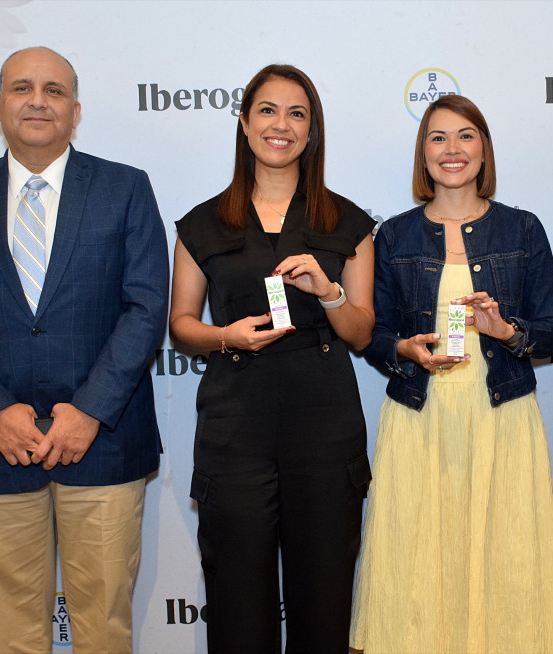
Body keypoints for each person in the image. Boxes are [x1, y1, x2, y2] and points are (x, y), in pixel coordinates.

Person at [0, 47, 169, 653]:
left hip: (103, 442)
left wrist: (89, 411)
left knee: (103, 623)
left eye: (54, 90)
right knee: (14, 625)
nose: (37, 100)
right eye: (22, 87)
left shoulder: (125, 188)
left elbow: (144, 308)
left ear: (75, 110)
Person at [350, 95, 553, 653]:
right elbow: (371, 336)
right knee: (417, 561)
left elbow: (551, 331)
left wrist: (503, 331)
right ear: (423, 154)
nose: (453, 149)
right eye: (438, 137)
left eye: (466, 135)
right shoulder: (393, 236)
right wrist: (405, 348)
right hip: (420, 418)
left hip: (500, 417)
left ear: (484, 149)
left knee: (506, 559)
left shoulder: (522, 229)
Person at [169, 64, 375, 653]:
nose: (280, 125)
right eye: (267, 110)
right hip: (236, 427)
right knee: (237, 603)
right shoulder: (201, 223)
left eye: (296, 113)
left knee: (324, 597)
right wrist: (226, 336)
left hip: (324, 426)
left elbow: (361, 331)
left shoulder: (347, 223)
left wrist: (328, 293)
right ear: (243, 122)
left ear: (312, 132)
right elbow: (182, 324)